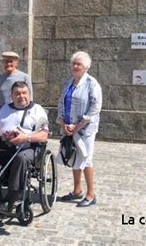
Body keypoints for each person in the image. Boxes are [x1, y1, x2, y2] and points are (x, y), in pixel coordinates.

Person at [0, 81, 48, 213]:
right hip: (4, 147)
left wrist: (26, 138)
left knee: (21, 158)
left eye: (24, 93)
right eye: (17, 93)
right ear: (12, 95)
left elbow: (44, 136)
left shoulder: (37, 110)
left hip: (27, 148)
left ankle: (11, 199)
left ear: (29, 94)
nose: (21, 96)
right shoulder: (5, 108)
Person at [56, 51, 102, 207]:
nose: (75, 66)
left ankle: (91, 194)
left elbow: (96, 106)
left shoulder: (92, 84)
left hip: (86, 129)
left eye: (79, 64)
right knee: (75, 157)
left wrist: (79, 125)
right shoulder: (68, 82)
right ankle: (77, 190)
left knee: (86, 158)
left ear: (86, 67)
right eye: (73, 63)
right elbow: (61, 103)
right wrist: (62, 122)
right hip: (69, 127)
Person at [0, 51, 33, 120]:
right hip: (1, 115)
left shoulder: (25, 77)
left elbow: (30, 98)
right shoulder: (0, 78)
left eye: (11, 61)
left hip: (18, 114)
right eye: (6, 61)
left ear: (16, 63)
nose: (8, 64)